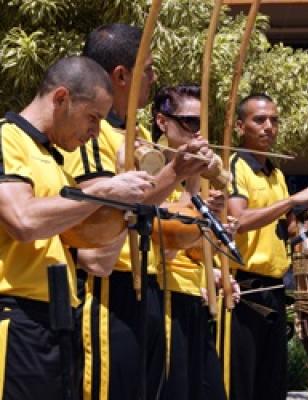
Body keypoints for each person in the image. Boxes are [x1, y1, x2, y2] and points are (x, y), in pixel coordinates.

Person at [62, 24, 217, 400]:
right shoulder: (91, 138)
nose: (154, 77)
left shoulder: (139, 140)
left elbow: (164, 219)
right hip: (108, 293)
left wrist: (190, 180)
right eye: (147, 68)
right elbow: (97, 248)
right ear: (121, 75)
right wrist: (173, 172)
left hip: (147, 286)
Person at [0, 56, 155, 400]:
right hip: (15, 319)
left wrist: (124, 201)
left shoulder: (55, 162)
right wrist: (101, 191)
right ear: (61, 98)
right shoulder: (7, 139)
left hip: (58, 321)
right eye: (93, 117)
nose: (96, 131)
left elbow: (96, 258)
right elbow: (23, 221)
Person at [227, 93, 308, 400]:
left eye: (274, 121)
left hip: (275, 289)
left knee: (272, 386)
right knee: (243, 386)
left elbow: (288, 230)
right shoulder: (236, 166)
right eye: (259, 120)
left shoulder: (275, 173)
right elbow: (237, 220)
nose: (269, 127)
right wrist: (291, 200)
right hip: (244, 291)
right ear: (240, 126)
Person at [152, 84, 235, 400]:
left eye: (203, 124)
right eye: (189, 122)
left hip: (195, 296)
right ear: (163, 122)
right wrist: (191, 190)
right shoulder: (150, 165)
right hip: (164, 295)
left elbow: (195, 248)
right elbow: (167, 238)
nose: (199, 133)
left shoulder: (194, 171)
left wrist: (216, 264)